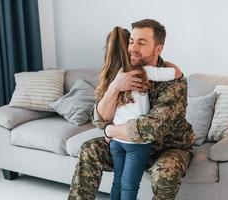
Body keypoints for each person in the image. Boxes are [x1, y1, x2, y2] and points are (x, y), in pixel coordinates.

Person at [68, 19, 195, 200]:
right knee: (89, 149)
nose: (133, 48)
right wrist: (114, 87)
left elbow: (151, 129)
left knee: (165, 172)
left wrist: (109, 130)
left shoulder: (172, 80)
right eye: (131, 41)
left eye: (141, 43)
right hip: (127, 143)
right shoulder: (121, 72)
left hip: (166, 148)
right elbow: (99, 119)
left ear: (158, 49)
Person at [95, 26, 182, 200]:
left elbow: (101, 117)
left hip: (116, 141)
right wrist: (172, 66)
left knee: (118, 181)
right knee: (129, 186)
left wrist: (109, 130)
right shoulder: (143, 71)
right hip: (136, 142)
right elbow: (175, 73)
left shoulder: (112, 76)